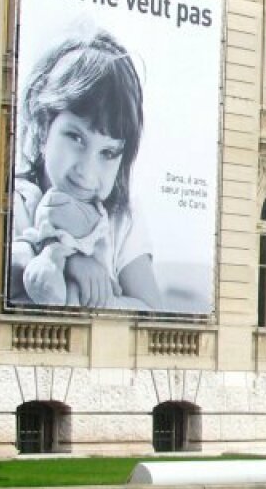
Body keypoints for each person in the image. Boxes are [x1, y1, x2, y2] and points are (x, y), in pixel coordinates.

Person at [10, 28, 162, 310]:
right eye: (76, 138)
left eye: (108, 152)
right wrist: (68, 261)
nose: (86, 171)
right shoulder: (16, 200)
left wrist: (96, 298)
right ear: (44, 127)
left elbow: (151, 310)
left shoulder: (121, 217)